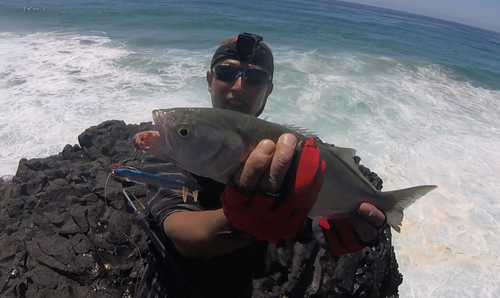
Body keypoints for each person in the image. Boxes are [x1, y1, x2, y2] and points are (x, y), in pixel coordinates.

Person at [136, 33, 388, 298]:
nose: (239, 88)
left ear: (268, 90)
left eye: (255, 78)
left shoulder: (298, 154)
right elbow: (179, 230)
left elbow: (308, 220)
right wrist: (239, 220)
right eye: (226, 73)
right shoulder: (169, 152)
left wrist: (348, 224)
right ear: (210, 81)